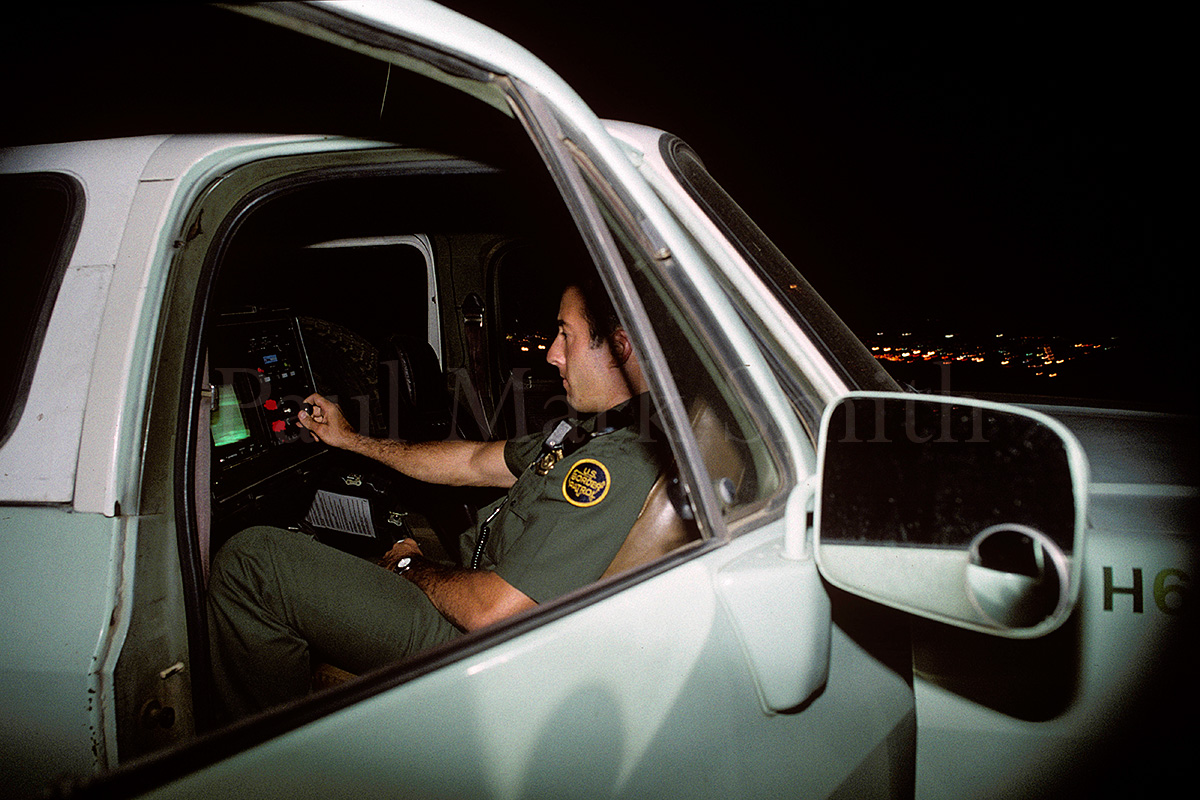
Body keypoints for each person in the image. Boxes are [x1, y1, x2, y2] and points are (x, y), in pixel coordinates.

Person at [207, 281, 665, 720]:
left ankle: (269, 764)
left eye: (566, 335)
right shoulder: (590, 432)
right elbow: (471, 461)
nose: (551, 353)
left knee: (252, 562)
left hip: (474, 640)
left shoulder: (615, 464)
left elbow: (491, 612)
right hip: (474, 586)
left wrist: (412, 568)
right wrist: (352, 440)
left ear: (619, 348)